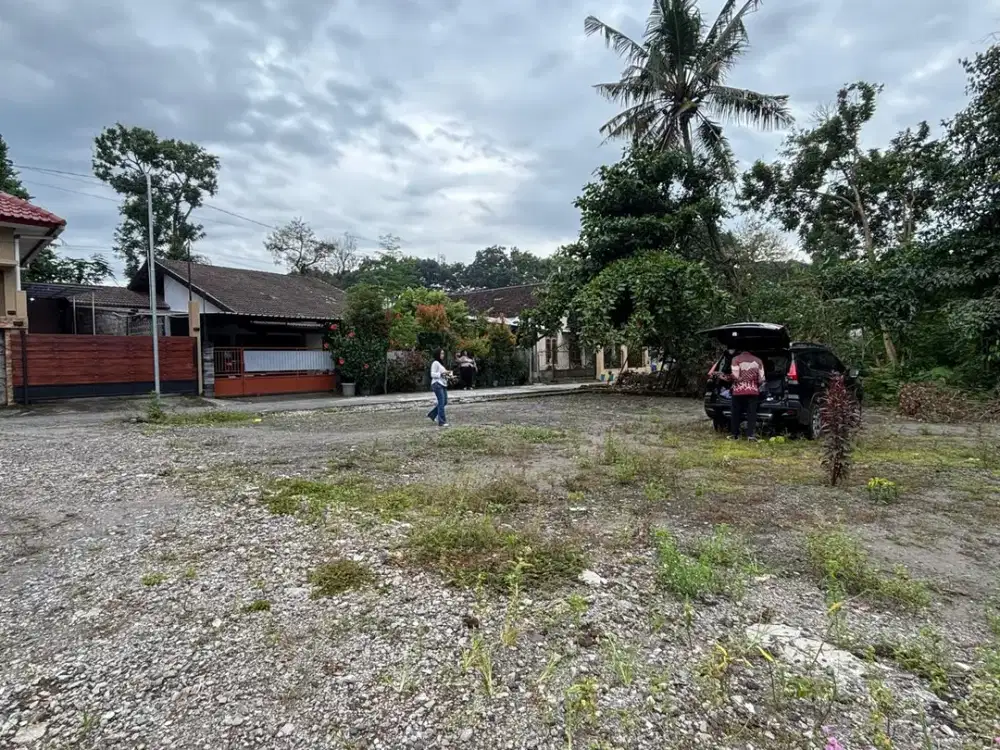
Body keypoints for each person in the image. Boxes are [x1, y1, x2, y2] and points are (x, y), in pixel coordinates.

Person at [724, 349, 765, 441]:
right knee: (751, 413)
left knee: (736, 412)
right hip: (753, 391)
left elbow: (735, 376)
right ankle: (751, 435)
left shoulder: (736, 359)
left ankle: (735, 435)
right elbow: (762, 379)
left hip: (738, 391)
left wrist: (725, 377)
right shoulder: (758, 360)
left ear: (740, 352)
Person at [427, 349, 452, 427]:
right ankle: (442, 421)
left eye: (443, 353)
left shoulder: (440, 364)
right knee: (441, 402)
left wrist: (449, 375)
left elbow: (443, 374)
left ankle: (432, 414)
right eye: (441, 353)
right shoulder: (435, 363)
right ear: (437, 354)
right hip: (437, 384)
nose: (443, 355)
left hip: (442, 384)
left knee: (444, 402)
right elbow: (432, 374)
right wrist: (442, 373)